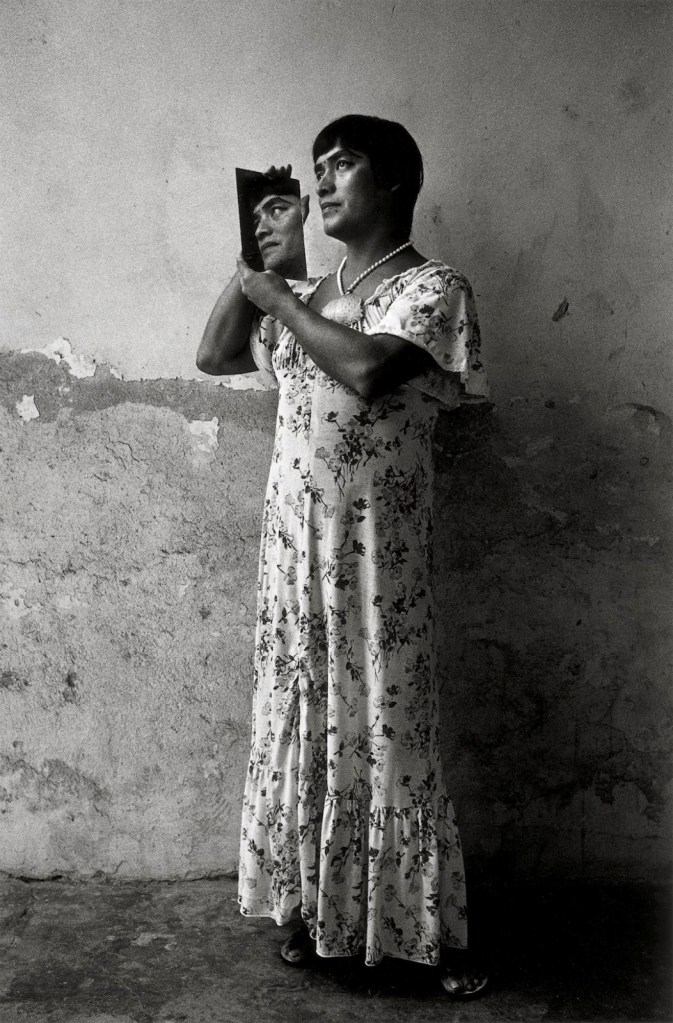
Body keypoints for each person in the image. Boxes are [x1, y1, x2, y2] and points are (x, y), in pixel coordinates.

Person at [198, 116, 488, 997]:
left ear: (393, 182)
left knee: (387, 730)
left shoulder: (433, 287)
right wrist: (257, 274)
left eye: (344, 166)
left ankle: (425, 934)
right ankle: (309, 912)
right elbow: (212, 355)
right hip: (292, 548)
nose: (323, 185)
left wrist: (282, 298)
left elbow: (367, 371)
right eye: (316, 169)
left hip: (374, 560)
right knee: (303, 720)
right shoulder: (306, 291)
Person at [197, 165, 309, 377]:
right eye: (257, 220)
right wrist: (254, 254)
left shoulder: (383, 297)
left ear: (304, 209)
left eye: (276, 210)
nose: (259, 230)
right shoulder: (296, 305)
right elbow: (211, 359)